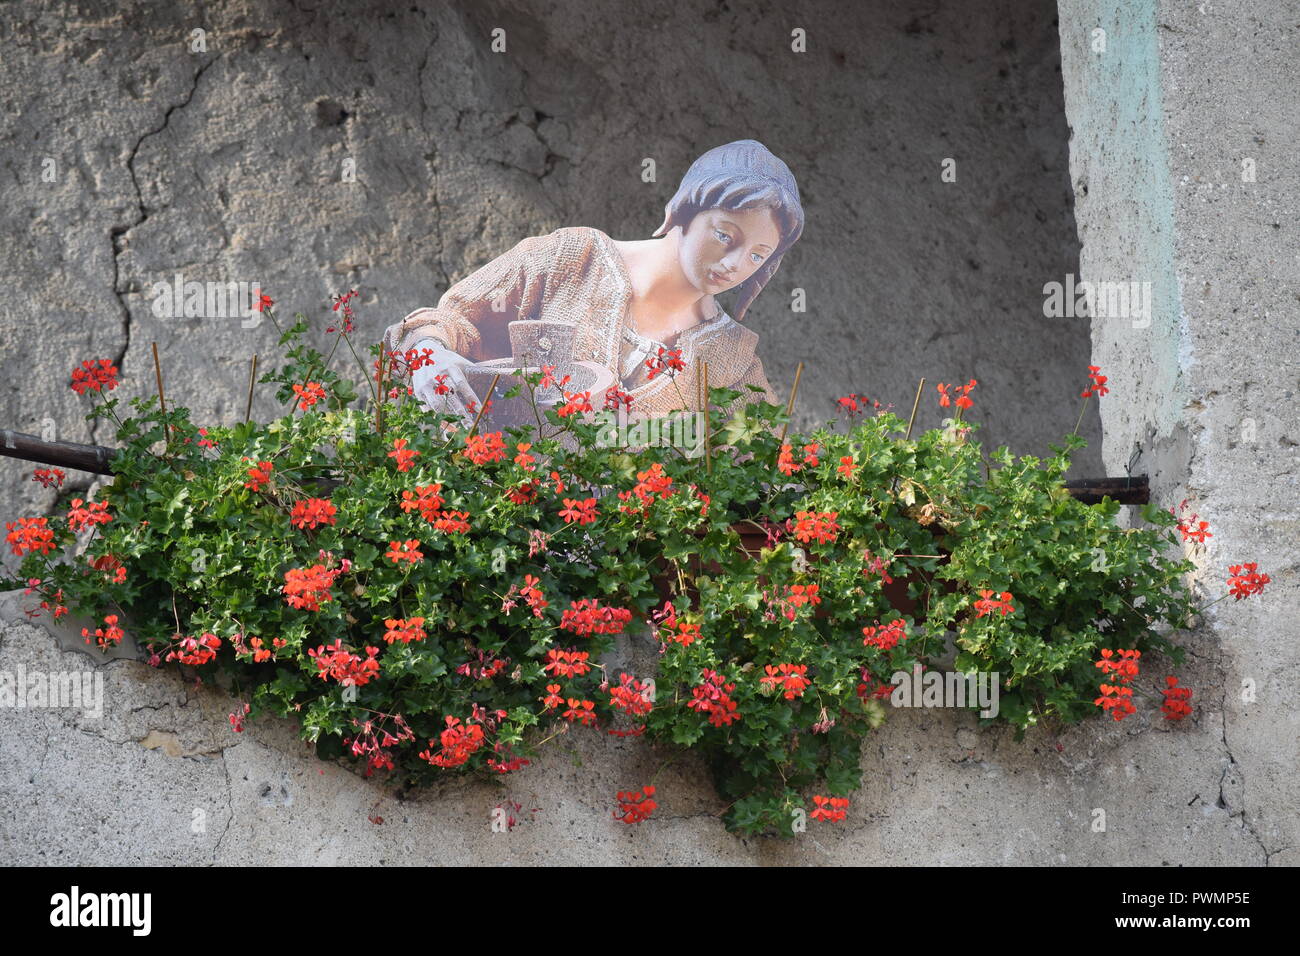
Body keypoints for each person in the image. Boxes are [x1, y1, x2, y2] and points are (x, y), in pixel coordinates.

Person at [382, 139, 804, 428]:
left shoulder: (732, 358)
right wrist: (429, 358)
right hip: (496, 522)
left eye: (757, 255)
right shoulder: (571, 258)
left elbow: (763, 462)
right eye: (726, 235)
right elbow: (446, 322)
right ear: (687, 210)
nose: (734, 264)